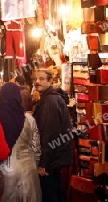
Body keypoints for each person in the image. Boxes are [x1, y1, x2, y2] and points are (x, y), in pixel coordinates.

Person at [0, 82, 42, 201]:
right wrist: (35, 164)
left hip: (6, 169)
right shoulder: (29, 119)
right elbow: (36, 148)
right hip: (29, 169)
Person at [33, 69, 73, 202]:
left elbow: (49, 133)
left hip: (51, 160)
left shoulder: (49, 101)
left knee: (51, 195)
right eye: (35, 79)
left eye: (42, 79)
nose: (37, 81)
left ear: (50, 81)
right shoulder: (50, 98)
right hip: (55, 158)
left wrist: (44, 162)